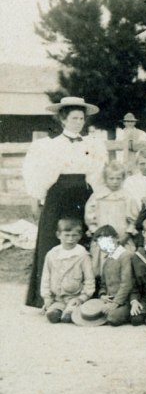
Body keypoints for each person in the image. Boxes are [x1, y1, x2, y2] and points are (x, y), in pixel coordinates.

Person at [22, 96, 105, 308]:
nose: (78, 122)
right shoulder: (48, 146)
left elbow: (96, 173)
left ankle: (91, 294)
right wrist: (36, 198)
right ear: (63, 120)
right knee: (52, 238)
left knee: (92, 235)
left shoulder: (92, 144)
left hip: (83, 194)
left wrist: (98, 196)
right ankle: (46, 298)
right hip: (58, 195)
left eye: (81, 118)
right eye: (74, 118)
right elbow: (39, 175)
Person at [39, 218, 95, 323]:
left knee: (70, 313)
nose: (70, 239)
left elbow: (89, 279)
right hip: (57, 298)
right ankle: (57, 310)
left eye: (74, 235)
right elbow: (46, 277)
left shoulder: (82, 255)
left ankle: (70, 312)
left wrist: (82, 297)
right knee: (53, 314)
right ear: (58, 235)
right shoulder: (52, 254)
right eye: (67, 235)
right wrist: (47, 297)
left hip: (75, 297)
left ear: (79, 236)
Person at [84, 160, 139, 243]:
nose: (115, 182)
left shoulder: (127, 197)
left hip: (122, 238)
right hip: (101, 238)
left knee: (122, 255)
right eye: (111, 178)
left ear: (123, 179)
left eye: (118, 178)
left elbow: (133, 220)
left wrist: (126, 235)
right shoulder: (97, 196)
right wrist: (96, 233)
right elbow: (90, 218)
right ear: (105, 179)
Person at [91, 225, 133, 326]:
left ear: (117, 238)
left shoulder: (125, 256)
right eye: (99, 244)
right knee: (90, 312)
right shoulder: (107, 260)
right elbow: (103, 284)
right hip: (110, 300)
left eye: (106, 242)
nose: (103, 246)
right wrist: (103, 295)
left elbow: (127, 284)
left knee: (112, 318)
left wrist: (115, 303)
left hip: (125, 301)